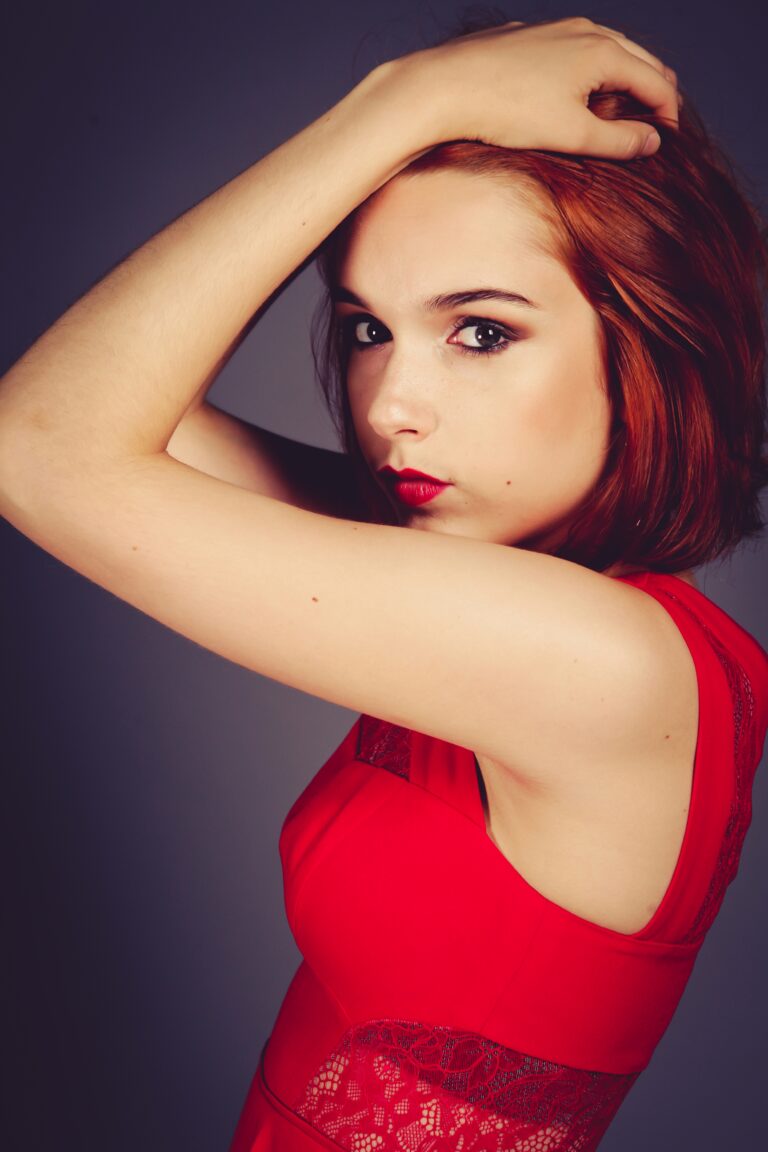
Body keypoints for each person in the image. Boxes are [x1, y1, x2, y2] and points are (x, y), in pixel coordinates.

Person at [0, 12, 766, 1151]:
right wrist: (405, 118)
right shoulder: (489, 571)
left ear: (650, 340)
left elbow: (37, 444)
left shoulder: (603, 663)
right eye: (367, 327)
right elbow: (107, 405)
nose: (391, 406)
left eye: (481, 333)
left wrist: (401, 102)